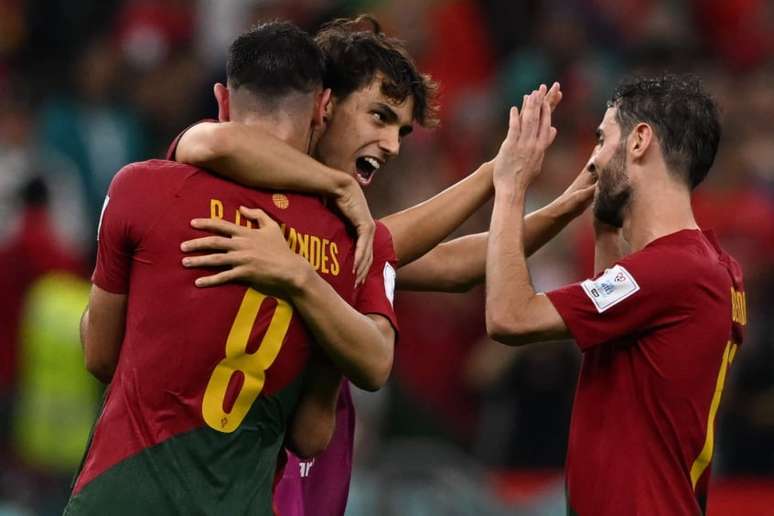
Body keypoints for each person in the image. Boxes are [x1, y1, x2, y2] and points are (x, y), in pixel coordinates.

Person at [173, 17, 596, 516]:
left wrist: (565, 201)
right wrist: (494, 175)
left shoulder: (339, 225)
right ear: (323, 105)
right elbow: (205, 141)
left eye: (400, 130)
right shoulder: (250, 190)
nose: (393, 145)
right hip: (245, 474)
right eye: (378, 117)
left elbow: (452, 263)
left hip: (307, 476)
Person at [65, 21, 397, 516]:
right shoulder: (349, 239)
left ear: (222, 100)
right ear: (322, 109)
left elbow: (99, 357)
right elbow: (310, 435)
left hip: (120, 496)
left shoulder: (143, 189)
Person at [485, 77, 745, 515]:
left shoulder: (673, 271)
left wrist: (511, 187)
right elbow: (614, 326)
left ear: (640, 140)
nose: (594, 160)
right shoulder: (704, 266)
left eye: (602, 139)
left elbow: (509, 317)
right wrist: (606, 223)